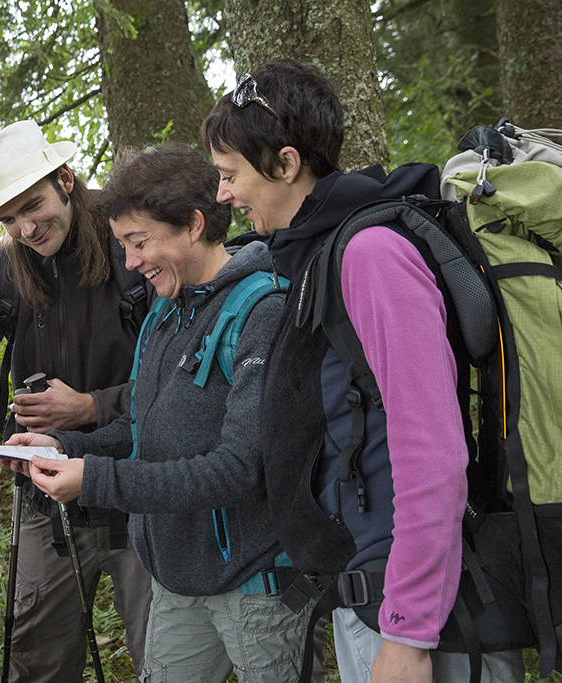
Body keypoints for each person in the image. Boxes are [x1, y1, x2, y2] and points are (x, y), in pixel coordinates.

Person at [202, 59, 524, 683]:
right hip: (376, 600)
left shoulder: (371, 255)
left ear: (286, 163)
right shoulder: (315, 256)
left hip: (419, 618)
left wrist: (408, 633)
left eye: (229, 174)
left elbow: (431, 450)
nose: (222, 195)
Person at [15, 143, 315, 683]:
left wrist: (96, 479)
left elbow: (239, 469)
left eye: (139, 242)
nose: (131, 263)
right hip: (176, 579)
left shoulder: (261, 313)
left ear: (194, 225)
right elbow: (140, 426)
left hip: (254, 587)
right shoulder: (165, 312)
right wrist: (66, 448)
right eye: (124, 245)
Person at [0, 120, 152, 682]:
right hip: (46, 500)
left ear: (66, 179)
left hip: (141, 489)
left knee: (165, 658)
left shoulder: (133, 246)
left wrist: (91, 407)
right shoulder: (2, 268)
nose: (25, 228)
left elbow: (181, 380)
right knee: (39, 661)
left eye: (33, 206)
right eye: (7, 219)